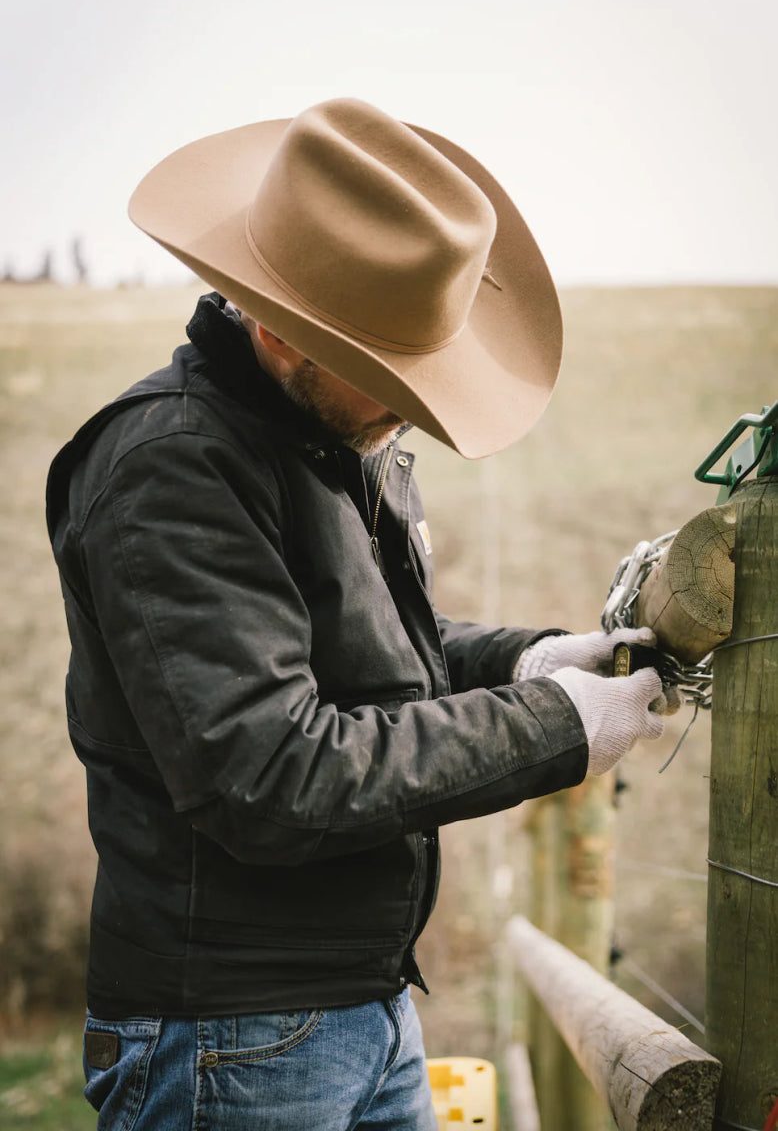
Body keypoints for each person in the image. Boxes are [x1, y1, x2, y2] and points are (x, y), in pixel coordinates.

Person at [46, 97, 669, 1131]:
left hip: (361, 1006)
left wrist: (524, 660)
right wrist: (553, 728)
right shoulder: (174, 468)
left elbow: (368, 656)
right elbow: (271, 770)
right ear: (285, 331)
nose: (411, 403)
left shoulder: (324, 445)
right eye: (387, 376)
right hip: (237, 1039)